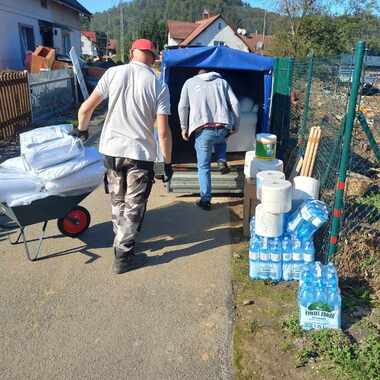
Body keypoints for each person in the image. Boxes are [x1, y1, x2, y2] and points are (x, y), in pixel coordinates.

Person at [75, 39, 173, 274]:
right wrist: (166, 163)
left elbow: (85, 109)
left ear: (131, 53)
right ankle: (124, 256)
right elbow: (162, 132)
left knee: (118, 200)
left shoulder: (112, 73)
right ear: (153, 57)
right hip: (139, 155)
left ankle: (119, 242)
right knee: (134, 205)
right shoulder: (159, 85)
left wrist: (82, 130)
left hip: (111, 151)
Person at [178, 69, 240, 210]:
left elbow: (183, 106)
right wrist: (236, 124)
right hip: (223, 126)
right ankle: (222, 160)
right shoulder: (222, 82)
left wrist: (184, 127)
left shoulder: (189, 83)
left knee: (204, 167)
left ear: (198, 75)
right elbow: (235, 103)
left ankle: (205, 200)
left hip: (203, 130)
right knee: (221, 140)